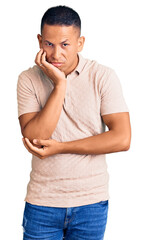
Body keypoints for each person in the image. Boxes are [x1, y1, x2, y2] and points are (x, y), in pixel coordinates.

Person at [17, 5, 131, 240]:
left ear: (80, 43)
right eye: (49, 44)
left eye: (65, 44)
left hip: (91, 202)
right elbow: (36, 137)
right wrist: (60, 85)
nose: (56, 54)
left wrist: (62, 147)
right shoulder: (28, 79)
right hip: (43, 202)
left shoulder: (103, 76)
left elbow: (122, 138)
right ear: (39, 41)